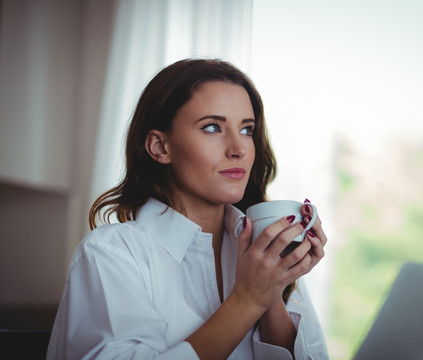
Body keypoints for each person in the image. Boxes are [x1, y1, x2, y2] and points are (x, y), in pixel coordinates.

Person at [47, 59, 329, 359]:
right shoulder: (111, 253)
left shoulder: (268, 253)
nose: (239, 148)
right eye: (212, 127)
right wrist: (247, 300)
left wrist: (271, 292)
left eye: (247, 130)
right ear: (160, 147)